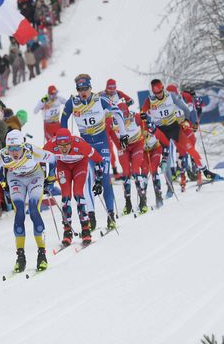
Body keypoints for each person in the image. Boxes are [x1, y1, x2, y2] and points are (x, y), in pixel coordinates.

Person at [60, 74, 129, 230]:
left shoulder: (100, 100)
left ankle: (110, 215)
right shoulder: (73, 102)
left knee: (104, 179)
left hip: (101, 145)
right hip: (85, 147)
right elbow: (63, 122)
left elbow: (117, 112)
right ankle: (91, 217)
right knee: (87, 181)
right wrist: (65, 140)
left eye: (85, 89)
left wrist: (123, 134)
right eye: (79, 89)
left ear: (90, 88)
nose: (82, 92)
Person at [0, 130, 56, 272]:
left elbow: (52, 159)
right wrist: (3, 181)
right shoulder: (2, 155)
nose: (14, 152)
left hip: (35, 176)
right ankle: (20, 257)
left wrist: (50, 180)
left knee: (34, 210)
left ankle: (41, 254)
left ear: (23, 145)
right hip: (15, 179)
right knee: (19, 212)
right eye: (11, 149)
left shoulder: (32, 151)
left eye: (17, 148)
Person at [141, 79, 216, 184]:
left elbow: (185, 109)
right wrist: (143, 116)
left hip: (174, 128)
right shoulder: (150, 100)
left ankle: (205, 171)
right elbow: (142, 112)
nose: (158, 95)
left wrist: (187, 120)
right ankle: (161, 178)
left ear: (163, 88)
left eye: (160, 92)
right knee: (164, 154)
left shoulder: (171, 96)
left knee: (190, 149)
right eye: (156, 93)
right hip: (161, 130)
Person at [44, 128, 104, 246]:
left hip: (80, 165)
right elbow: (40, 160)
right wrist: (44, 179)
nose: (64, 148)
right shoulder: (50, 144)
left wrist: (98, 181)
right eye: (61, 146)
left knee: (78, 193)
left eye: (66, 145)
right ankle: (67, 232)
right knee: (65, 196)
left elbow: (99, 160)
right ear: (56, 143)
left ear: (71, 142)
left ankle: (86, 230)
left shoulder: (80, 144)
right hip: (63, 166)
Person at [108, 104, 148, 214]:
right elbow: (110, 134)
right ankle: (128, 202)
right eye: (121, 115)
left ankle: (142, 200)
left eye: (125, 115)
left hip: (137, 145)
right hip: (124, 147)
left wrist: (146, 119)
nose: (124, 118)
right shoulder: (112, 121)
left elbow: (148, 123)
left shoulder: (135, 117)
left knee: (135, 171)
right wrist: (119, 147)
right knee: (126, 173)